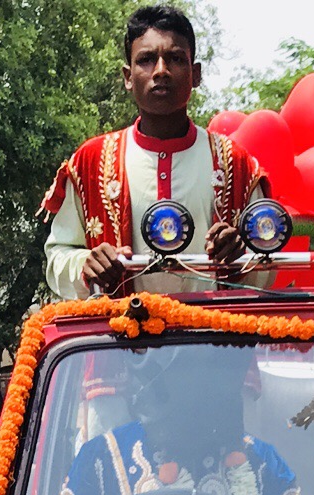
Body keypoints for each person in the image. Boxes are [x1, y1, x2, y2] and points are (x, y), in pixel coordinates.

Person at [41, 5, 265, 299]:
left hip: (213, 327)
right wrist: (86, 264)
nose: (161, 71)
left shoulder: (234, 162)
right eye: (146, 60)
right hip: (118, 328)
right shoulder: (91, 161)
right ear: (128, 76)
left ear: (195, 74)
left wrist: (241, 255)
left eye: (175, 59)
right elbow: (57, 256)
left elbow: (269, 264)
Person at [48, 347, 314, 495]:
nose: (197, 400)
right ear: (155, 391)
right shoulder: (101, 458)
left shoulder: (261, 459)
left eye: (211, 386)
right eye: (183, 385)